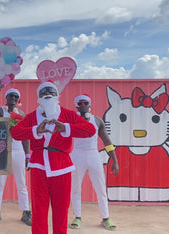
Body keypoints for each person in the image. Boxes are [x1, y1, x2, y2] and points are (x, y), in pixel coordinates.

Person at [10, 81, 96, 234]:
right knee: (39, 211)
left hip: (62, 168)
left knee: (61, 211)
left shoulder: (68, 115)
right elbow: (15, 132)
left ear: (57, 96)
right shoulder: (31, 117)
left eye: (51, 92)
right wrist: (36, 130)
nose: (47, 95)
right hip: (39, 167)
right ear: (38, 97)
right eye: (43, 93)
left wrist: (66, 128)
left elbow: (90, 129)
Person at [69, 94, 119, 231]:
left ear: (90, 104)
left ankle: (106, 218)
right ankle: (77, 217)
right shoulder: (72, 120)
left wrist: (114, 160)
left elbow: (107, 141)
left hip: (93, 155)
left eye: (86, 103)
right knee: (75, 188)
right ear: (76, 105)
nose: (83, 105)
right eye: (80, 103)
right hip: (77, 155)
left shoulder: (97, 121)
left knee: (101, 188)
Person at [0, 82, 32, 226]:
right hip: (2, 151)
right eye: (11, 96)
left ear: (18, 99)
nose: (13, 98)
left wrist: (27, 155)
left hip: (18, 151)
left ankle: (26, 211)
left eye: (16, 96)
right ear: (6, 97)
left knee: (22, 183)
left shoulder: (22, 114)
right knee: (0, 183)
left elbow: (25, 136)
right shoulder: (1, 111)